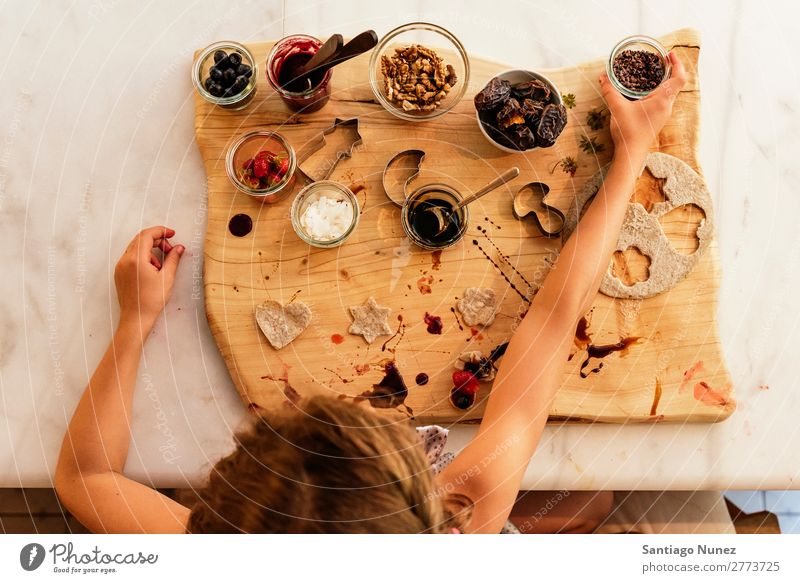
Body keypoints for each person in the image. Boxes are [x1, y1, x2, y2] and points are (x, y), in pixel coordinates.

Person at [55, 53, 688, 534]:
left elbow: (83, 476)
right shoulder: (463, 530)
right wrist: (631, 154)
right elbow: (551, 325)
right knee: (596, 503)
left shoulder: (212, 551)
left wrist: (134, 322)